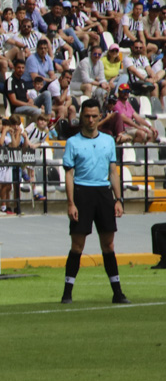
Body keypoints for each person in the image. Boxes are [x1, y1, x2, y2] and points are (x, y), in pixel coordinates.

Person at [61, 99, 128, 305]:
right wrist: (71, 203)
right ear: (81, 117)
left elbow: (113, 171)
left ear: (100, 117)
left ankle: (117, 293)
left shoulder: (108, 141)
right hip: (82, 193)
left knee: (108, 244)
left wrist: (118, 199)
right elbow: (69, 174)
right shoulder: (73, 142)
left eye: (94, 116)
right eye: (87, 116)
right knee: (77, 245)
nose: (90, 120)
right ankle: (67, 293)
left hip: (103, 194)